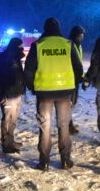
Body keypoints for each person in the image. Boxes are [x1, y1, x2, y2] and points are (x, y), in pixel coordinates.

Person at [24, 18, 83, 171]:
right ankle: (65, 160)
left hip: (44, 93)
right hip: (64, 93)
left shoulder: (38, 45)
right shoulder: (68, 44)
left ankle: (44, 162)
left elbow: (29, 70)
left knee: (45, 127)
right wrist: (72, 86)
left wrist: (32, 87)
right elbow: (78, 69)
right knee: (64, 126)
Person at [0, 37, 26, 154]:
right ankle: (6, 144)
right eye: (20, 46)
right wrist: (2, 81)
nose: (21, 48)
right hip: (7, 94)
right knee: (8, 119)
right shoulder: (3, 57)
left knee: (13, 119)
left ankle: (10, 140)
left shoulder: (16, 58)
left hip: (17, 93)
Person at [68, 25, 86, 134]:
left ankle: (69, 124)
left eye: (82, 35)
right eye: (80, 35)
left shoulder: (78, 46)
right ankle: (68, 126)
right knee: (70, 103)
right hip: (70, 78)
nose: (82, 37)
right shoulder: (70, 45)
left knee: (73, 103)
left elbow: (79, 63)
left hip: (76, 78)